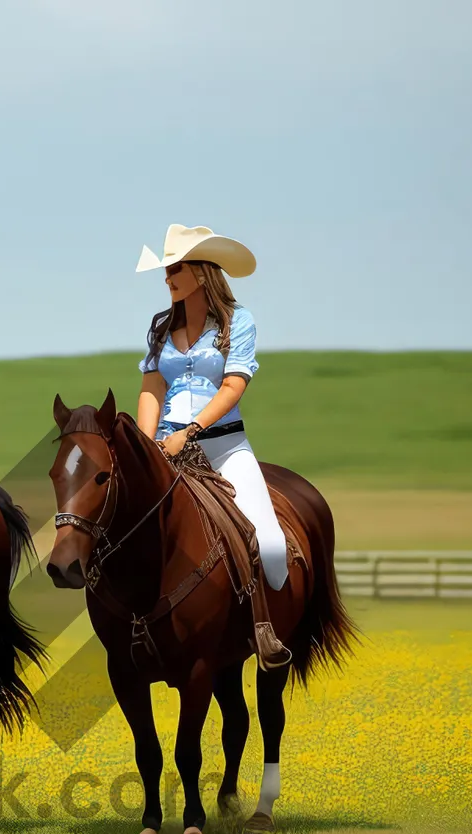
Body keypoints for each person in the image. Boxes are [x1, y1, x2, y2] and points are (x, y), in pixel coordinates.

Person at [135, 223, 291, 666]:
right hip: (166, 450)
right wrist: (148, 446)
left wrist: (192, 430)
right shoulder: (160, 326)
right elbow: (152, 388)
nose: (167, 279)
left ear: (201, 273)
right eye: (165, 272)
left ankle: (263, 630)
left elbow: (233, 385)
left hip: (224, 446)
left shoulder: (238, 322)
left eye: (175, 269)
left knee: (270, 543)